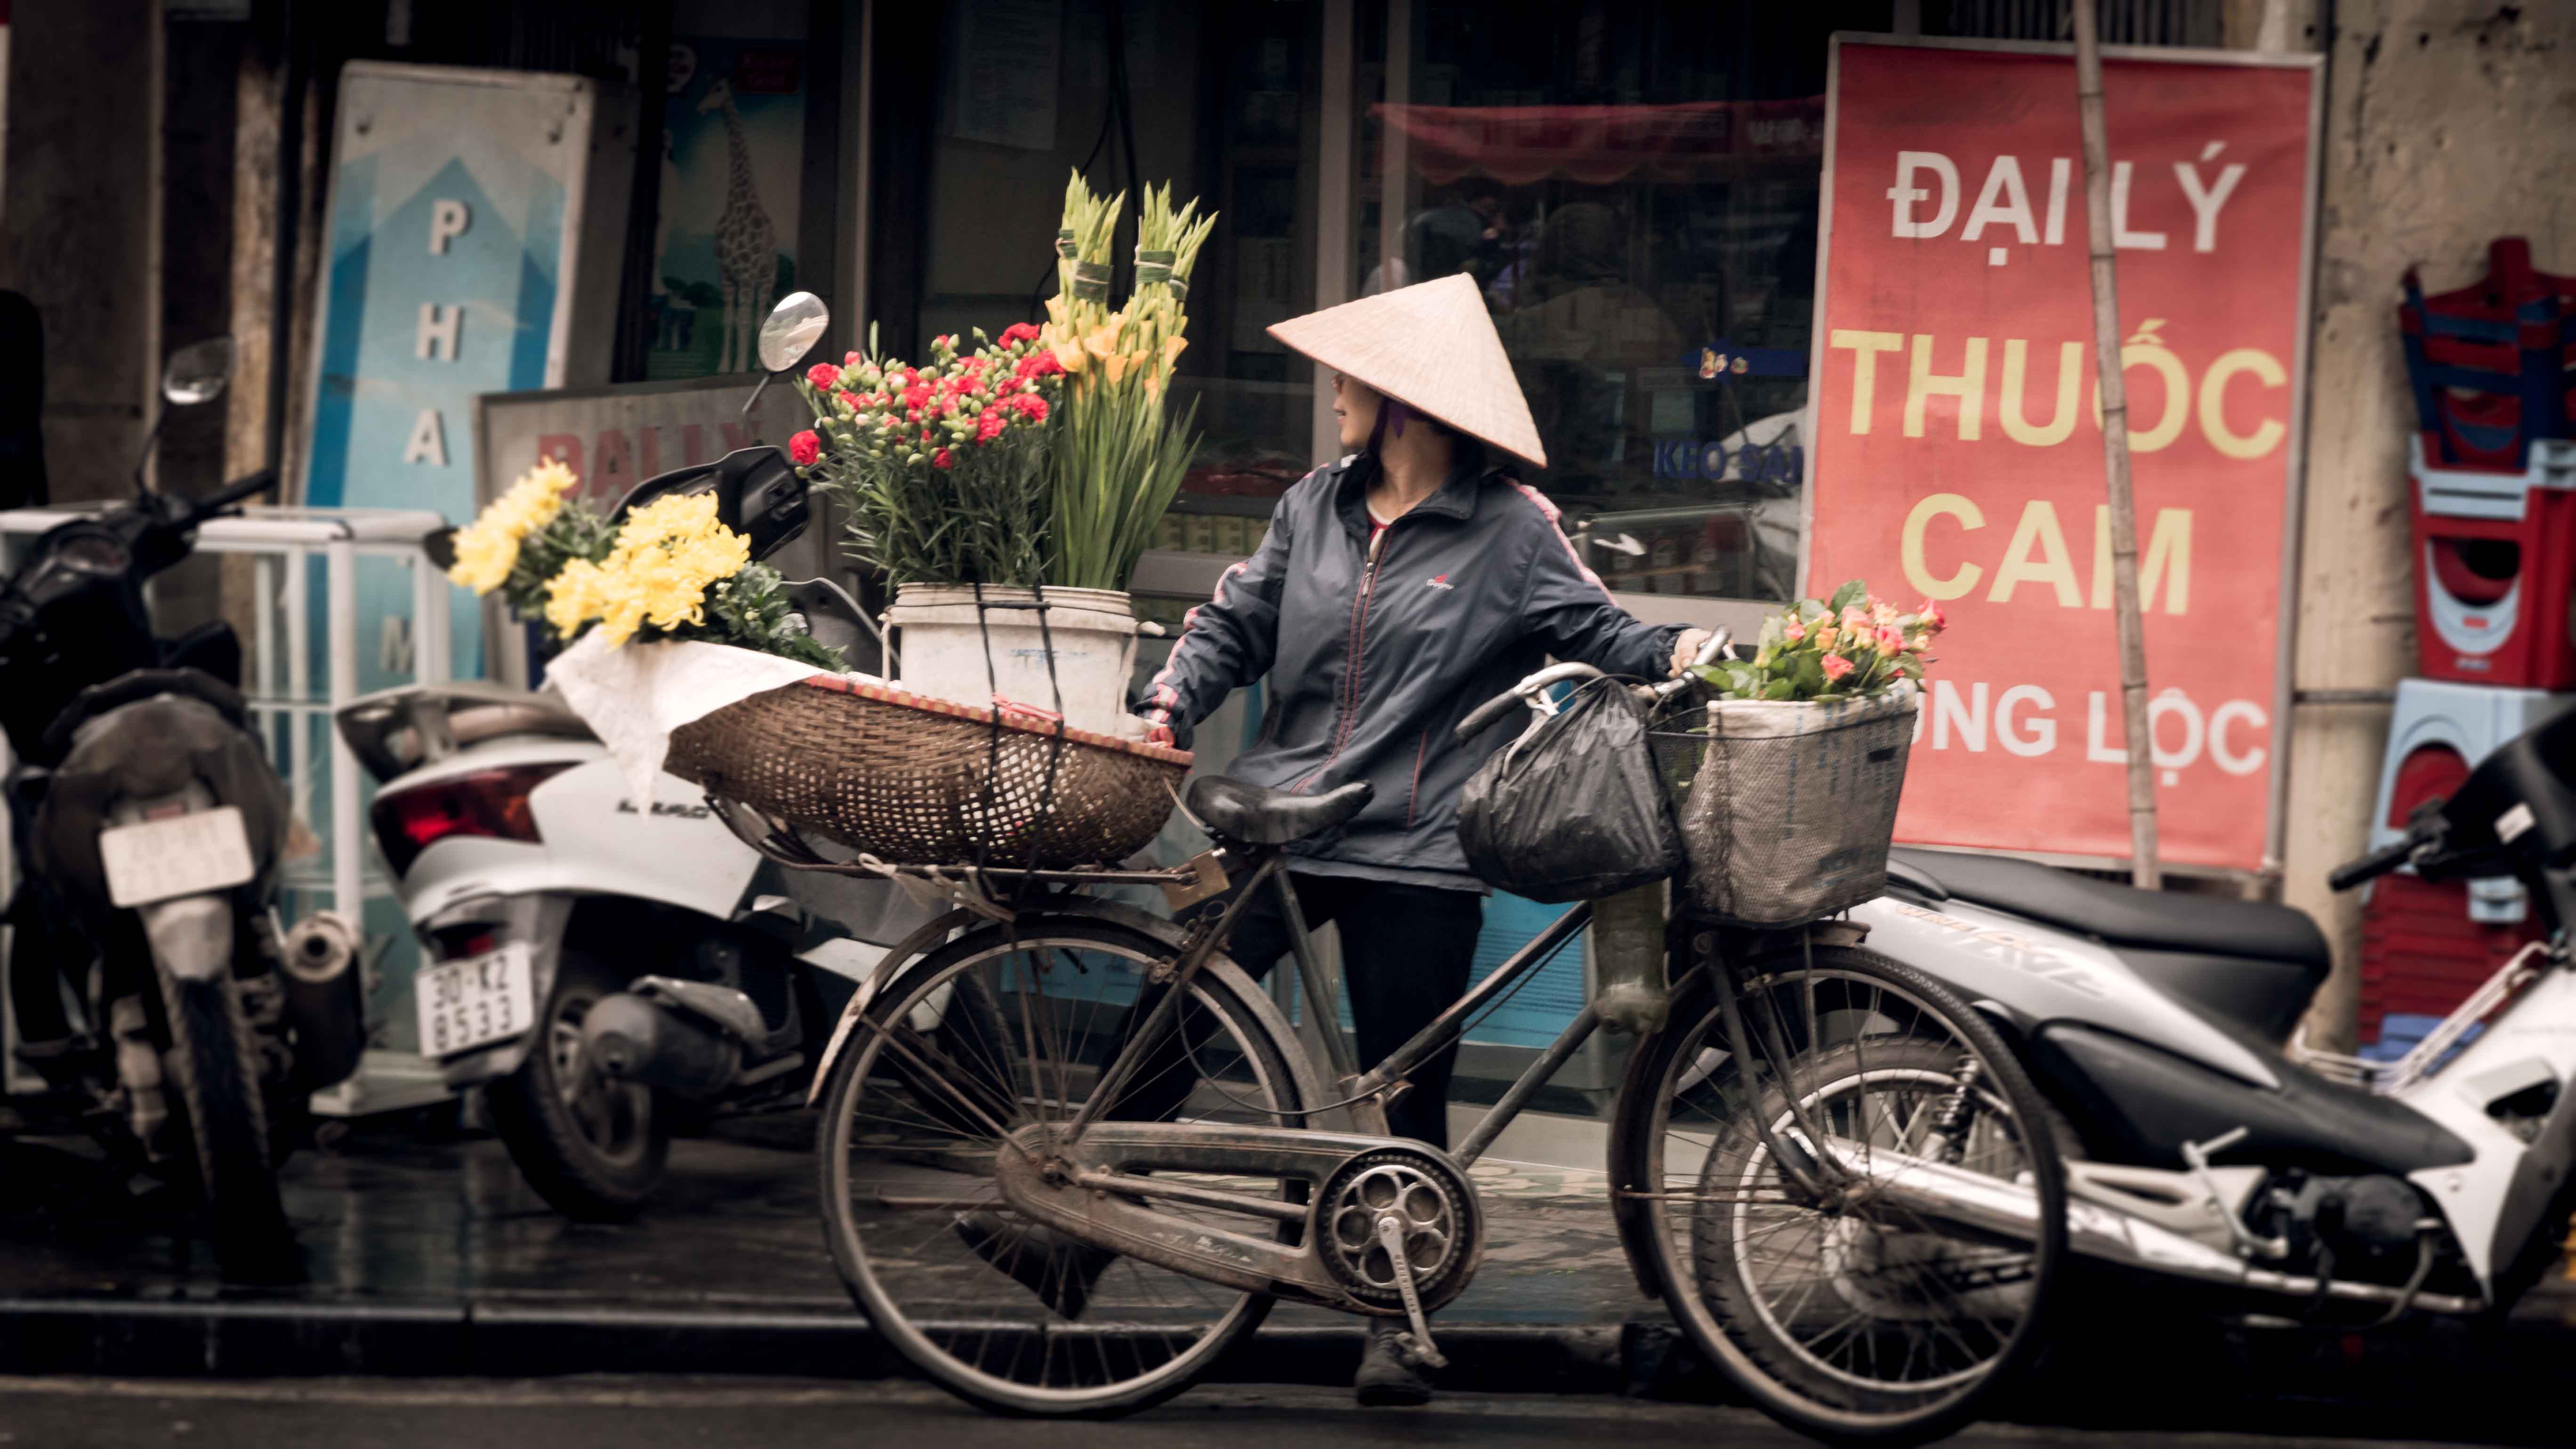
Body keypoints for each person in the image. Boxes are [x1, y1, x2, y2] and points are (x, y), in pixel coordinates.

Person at [960, 274, 1705, 1408]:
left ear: (1406, 402)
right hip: (1283, 824)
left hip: (1421, 848)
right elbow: (1238, 619)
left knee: (1404, 1101)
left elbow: (1600, 629)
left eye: (1351, 380)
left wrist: (1684, 652)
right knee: (1174, 1018)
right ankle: (1075, 1235)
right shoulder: (1312, 505)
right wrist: (1175, 695)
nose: (1337, 397)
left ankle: (1391, 1323)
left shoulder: (1511, 531)